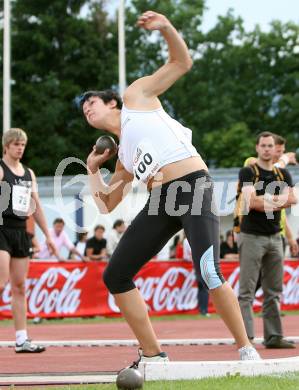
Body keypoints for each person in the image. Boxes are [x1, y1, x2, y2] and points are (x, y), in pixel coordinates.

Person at [79, 11, 260, 362]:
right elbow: (106, 204)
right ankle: (152, 354)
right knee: (115, 274)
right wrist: (90, 169)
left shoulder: (136, 98)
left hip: (192, 186)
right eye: (83, 108)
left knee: (209, 270)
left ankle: (247, 349)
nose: (86, 108)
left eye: (92, 102)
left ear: (112, 102)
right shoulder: (124, 157)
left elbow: (182, 62)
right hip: (161, 200)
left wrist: (165, 28)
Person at [237, 131, 297, 348]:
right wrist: (278, 200)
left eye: (270, 145)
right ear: (257, 148)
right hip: (251, 236)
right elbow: (251, 203)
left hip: (275, 237)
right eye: (263, 145)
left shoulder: (283, 175)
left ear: (275, 149)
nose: (267, 149)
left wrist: (266, 200)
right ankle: (246, 339)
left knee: (274, 291)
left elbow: (293, 199)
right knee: (247, 291)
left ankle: (273, 337)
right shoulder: (248, 171)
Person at [0, 128, 56, 352]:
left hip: (21, 231)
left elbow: (36, 206)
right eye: (16, 144)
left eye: (22, 144)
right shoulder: (1, 170)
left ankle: (22, 339)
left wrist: (48, 235)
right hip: (1, 228)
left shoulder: (28, 173)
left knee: (20, 286)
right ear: (6, 146)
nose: (20, 148)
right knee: (1, 280)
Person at [183, 237, 210, 316]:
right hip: (202, 264)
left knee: (201, 288)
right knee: (204, 288)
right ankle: (204, 310)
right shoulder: (199, 237)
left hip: (196, 264)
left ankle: (202, 309)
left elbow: (186, 257)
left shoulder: (186, 240)